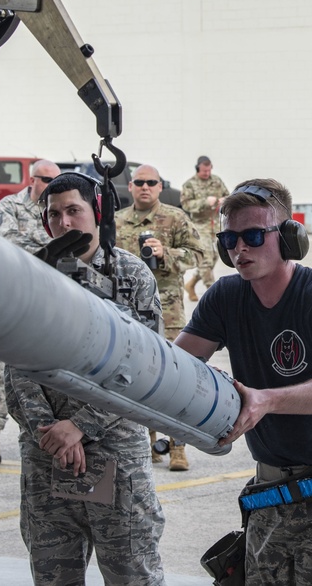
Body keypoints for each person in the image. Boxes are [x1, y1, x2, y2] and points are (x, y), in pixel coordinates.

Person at [175, 179, 312, 584]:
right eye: (229, 239)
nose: (240, 249)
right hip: (270, 495)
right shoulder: (225, 297)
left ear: (290, 238)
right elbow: (176, 366)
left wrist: (265, 400)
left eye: (253, 235)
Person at [5, 172, 166, 585]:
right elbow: (17, 365)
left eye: (73, 211)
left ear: (97, 214)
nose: (64, 223)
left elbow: (145, 369)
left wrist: (80, 427)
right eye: (54, 214)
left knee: (132, 572)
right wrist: (52, 433)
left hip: (115, 454)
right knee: (53, 573)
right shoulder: (30, 277)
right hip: (46, 456)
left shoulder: (129, 277)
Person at [0, 159, 61, 469]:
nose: (49, 185)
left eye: (54, 180)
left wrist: (49, 249)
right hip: (14, 302)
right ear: (31, 179)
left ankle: (45, 445)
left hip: (50, 305)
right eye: (45, 179)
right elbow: (10, 242)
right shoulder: (11, 204)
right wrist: (53, 248)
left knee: (51, 379)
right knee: (0, 375)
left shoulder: (59, 208)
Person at [116, 163, 204, 471]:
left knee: (173, 379)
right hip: (127, 313)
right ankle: (148, 443)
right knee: (135, 375)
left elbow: (198, 254)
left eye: (150, 182)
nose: (144, 187)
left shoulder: (175, 217)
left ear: (158, 186)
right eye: (139, 182)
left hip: (167, 312)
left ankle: (177, 446)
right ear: (130, 186)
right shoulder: (116, 221)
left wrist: (166, 252)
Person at [180, 155, 229, 301]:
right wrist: (204, 202)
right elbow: (186, 205)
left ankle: (191, 283)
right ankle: (213, 292)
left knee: (215, 257)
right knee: (206, 260)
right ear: (197, 169)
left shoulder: (217, 181)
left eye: (208, 170)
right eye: (204, 171)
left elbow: (228, 195)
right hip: (200, 226)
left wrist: (223, 200)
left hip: (215, 225)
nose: (207, 174)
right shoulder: (189, 184)